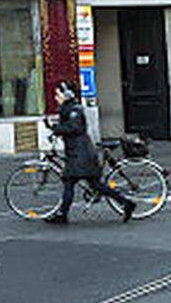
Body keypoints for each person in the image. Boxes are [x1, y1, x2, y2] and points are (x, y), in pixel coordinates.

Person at [45, 80, 135, 224]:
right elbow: (69, 126)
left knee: (71, 181)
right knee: (94, 184)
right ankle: (125, 203)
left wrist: (55, 128)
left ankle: (62, 214)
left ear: (66, 94)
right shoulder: (69, 108)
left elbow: (74, 128)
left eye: (58, 94)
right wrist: (56, 129)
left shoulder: (74, 109)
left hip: (81, 154)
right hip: (79, 152)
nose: (56, 98)